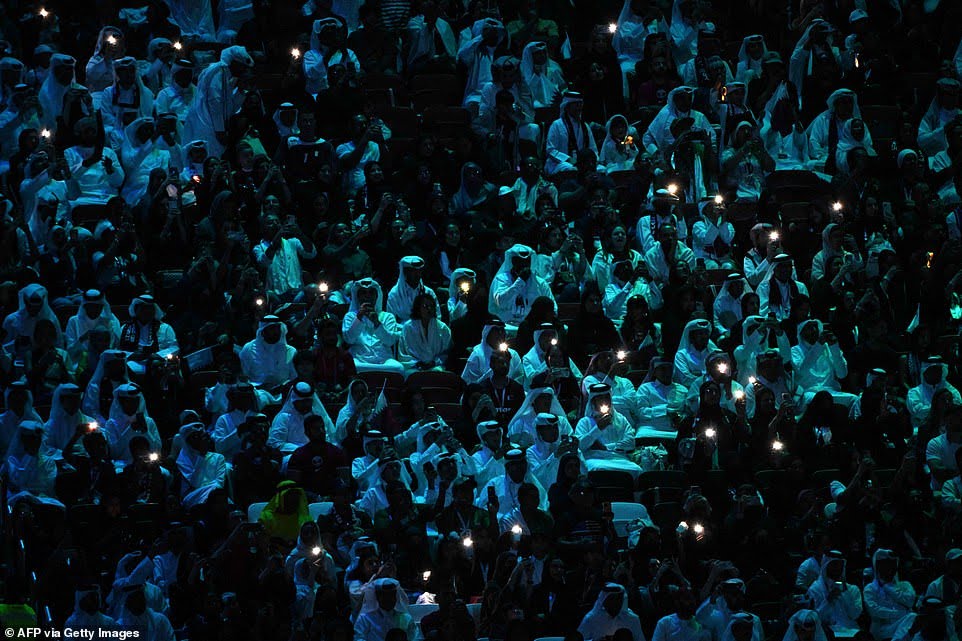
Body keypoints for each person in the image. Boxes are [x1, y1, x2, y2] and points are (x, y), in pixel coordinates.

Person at [342, 278, 404, 375]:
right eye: (363, 293)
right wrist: (359, 317)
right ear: (357, 296)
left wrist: (377, 322)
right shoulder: (350, 316)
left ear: (377, 296)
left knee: (399, 368)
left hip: (384, 360)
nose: (367, 296)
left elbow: (390, 341)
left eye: (371, 293)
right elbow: (349, 339)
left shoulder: (387, 317)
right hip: (359, 359)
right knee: (352, 366)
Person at [578, 583, 645, 641]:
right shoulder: (591, 619)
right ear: (604, 601)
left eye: (619, 600)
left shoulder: (632, 620)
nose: (616, 604)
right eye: (612, 600)